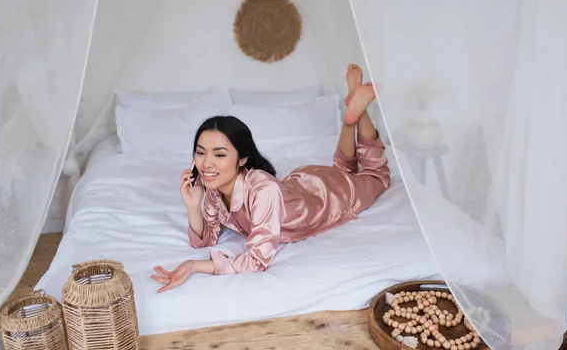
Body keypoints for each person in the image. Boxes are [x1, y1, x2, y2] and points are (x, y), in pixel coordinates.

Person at [151, 64, 390, 293]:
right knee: (343, 168)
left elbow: (257, 259)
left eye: (219, 154)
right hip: (303, 182)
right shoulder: (215, 189)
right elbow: (205, 241)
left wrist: (195, 266)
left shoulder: (262, 189)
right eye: (200, 152)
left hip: (329, 198)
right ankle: (351, 115)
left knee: (376, 175)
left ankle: (357, 112)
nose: (206, 163)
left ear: (242, 159)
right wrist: (193, 205)